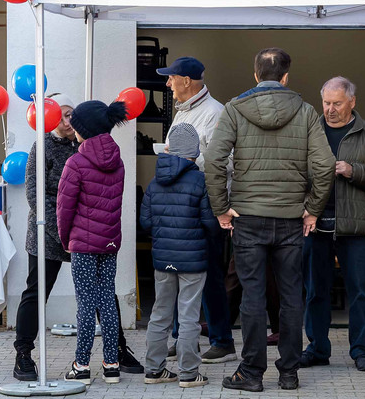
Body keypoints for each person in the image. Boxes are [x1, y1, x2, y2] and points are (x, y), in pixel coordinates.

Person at [205, 47, 334, 392]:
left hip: (247, 217)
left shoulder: (234, 109)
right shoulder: (307, 112)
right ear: (286, 77)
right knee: (292, 297)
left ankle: (251, 373)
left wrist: (221, 207)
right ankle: (289, 373)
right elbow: (324, 166)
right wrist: (313, 208)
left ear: (255, 75)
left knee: (252, 297)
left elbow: (214, 160)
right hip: (291, 219)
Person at [301, 77, 365, 373]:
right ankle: (317, 348)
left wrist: (353, 170)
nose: (330, 109)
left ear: (352, 102)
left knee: (360, 291)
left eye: (337, 103)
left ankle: (362, 351)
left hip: (357, 227)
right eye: (326, 103)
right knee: (315, 290)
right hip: (315, 225)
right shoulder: (309, 130)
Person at [156, 56, 236, 363]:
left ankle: (222, 340)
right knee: (178, 271)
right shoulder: (184, 112)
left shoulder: (214, 113)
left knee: (210, 276)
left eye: (171, 78)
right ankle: (182, 337)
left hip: (204, 206)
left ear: (186, 81)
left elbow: (223, 163)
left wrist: (182, 160)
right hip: (182, 204)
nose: (167, 83)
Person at [140, 123, 217, 388]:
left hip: (163, 259)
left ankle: (153, 370)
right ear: (194, 153)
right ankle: (188, 373)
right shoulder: (200, 181)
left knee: (160, 314)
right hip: (193, 260)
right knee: (188, 316)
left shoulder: (154, 182)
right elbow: (210, 223)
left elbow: (146, 223)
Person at [57, 100, 127, 385]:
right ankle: (112, 364)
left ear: (84, 129)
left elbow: (64, 208)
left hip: (84, 245)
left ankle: (82, 364)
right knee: (107, 299)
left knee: (86, 302)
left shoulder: (75, 162)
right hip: (109, 242)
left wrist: (66, 240)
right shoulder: (118, 160)